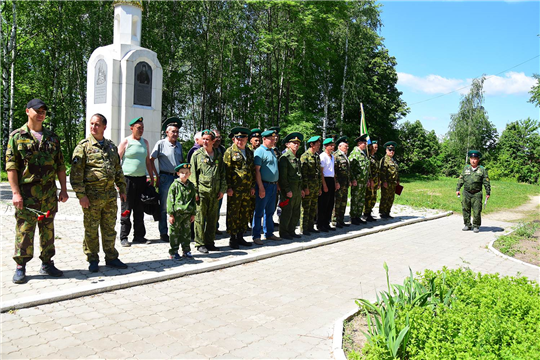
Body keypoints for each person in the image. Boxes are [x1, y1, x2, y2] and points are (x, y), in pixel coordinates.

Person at [6, 98, 69, 284]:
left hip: (49, 195)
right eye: (37, 110)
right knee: (25, 231)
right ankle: (21, 266)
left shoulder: (52, 138)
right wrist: (16, 193)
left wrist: (64, 190)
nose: (41, 114)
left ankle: (47, 263)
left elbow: (60, 166)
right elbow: (11, 167)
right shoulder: (17, 136)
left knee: (48, 231)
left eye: (43, 111)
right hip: (27, 197)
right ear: (28, 111)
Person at [70, 114, 128, 272]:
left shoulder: (110, 146)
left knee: (109, 228)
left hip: (109, 197)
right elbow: (76, 175)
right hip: (91, 198)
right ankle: (92, 258)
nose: (93, 127)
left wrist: (122, 189)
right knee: (91, 229)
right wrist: (81, 195)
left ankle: (111, 257)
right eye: (91, 124)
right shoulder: (83, 147)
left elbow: (117, 169)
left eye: (97, 124)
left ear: (104, 127)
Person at [118, 117, 156, 246]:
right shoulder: (126, 142)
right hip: (127, 180)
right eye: (138, 128)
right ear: (132, 128)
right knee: (126, 208)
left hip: (141, 180)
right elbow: (116, 162)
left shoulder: (145, 142)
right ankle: (124, 237)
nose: (141, 130)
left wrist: (150, 177)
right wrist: (118, 181)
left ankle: (139, 236)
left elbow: (147, 162)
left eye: (142, 128)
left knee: (140, 209)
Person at [190, 130, 226, 253]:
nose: (205, 141)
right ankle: (200, 243)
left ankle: (210, 242)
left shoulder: (218, 155)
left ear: (213, 141)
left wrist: (222, 190)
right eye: (203, 139)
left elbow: (222, 174)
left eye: (207, 139)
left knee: (212, 218)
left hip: (215, 193)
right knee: (200, 218)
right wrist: (194, 192)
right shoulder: (197, 155)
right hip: (202, 192)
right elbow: (192, 175)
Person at [150, 117, 184, 243]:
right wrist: (155, 175)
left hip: (177, 178)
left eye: (177, 132)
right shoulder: (161, 144)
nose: (175, 134)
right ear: (167, 132)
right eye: (173, 131)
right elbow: (151, 159)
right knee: (164, 206)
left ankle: (176, 230)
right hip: (165, 178)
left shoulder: (179, 145)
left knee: (178, 205)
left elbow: (181, 162)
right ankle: (163, 232)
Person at [223, 127, 255, 249]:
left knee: (244, 213)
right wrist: (229, 187)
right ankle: (233, 238)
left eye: (243, 138)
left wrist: (252, 186)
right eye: (238, 138)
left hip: (247, 189)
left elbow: (252, 170)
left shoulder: (249, 152)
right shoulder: (229, 152)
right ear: (234, 139)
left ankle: (241, 236)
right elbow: (227, 171)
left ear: (247, 139)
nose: (240, 141)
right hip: (235, 189)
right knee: (233, 213)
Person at [252, 130, 281, 244]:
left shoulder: (272, 151)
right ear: (264, 139)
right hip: (264, 184)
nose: (273, 141)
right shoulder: (259, 152)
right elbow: (257, 171)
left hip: (273, 185)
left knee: (270, 211)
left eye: (274, 139)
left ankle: (269, 233)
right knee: (259, 212)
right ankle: (256, 236)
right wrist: (260, 187)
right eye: (271, 139)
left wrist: (277, 183)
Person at [456, 150, 491, 233]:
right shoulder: (466, 168)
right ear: (470, 159)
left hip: (477, 193)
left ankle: (476, 226)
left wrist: (488, 192)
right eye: (472, 158)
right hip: (466, 192)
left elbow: (486, 182)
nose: (473, 160)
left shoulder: (482, 169)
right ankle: (467, 224)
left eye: (475, 159)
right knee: (465, 209)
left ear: (478, 160)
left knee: (477, 210)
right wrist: (458, 189)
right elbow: (461, 179)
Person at [167, 163, 196, 260]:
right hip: (177, 214)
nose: (184, 174)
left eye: (186, 173)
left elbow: (193, 201)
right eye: (182, 173)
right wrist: (171, 214)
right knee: (174, 233)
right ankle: (174, 251)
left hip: (187, 214)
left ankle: (186, 251)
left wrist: (193, 213)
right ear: (178, 173)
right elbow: (170, 200)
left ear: (190, 174)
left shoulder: (191, 186)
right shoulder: (175, 185)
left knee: (186, 233)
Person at [278, 132, 304, 240]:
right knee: (287, 211)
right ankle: (284, 232)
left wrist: (301, 189)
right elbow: (283, 177)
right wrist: (287, 190)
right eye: (293, 143)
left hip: (297, 189)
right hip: (289, 189)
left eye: (298, 143)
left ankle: (291, 230)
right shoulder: (285, 158)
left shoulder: (296, 157)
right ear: (288, 145)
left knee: (296, 211)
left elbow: (299, 175)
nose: (296, 145)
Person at [300, 136, 322, 235]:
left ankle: (310, 226)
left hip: (315, 186)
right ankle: (304, 228)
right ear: (311, 145)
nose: (319, 146)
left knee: (313, 207)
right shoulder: (304, 156)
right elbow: (303, 174)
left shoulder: (317, 156)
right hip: (308, 186)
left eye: (319, 144)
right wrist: (305, 187)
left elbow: (319, 174)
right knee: (306, 208)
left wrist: (319, 187)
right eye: (317, 144)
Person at [318, 138, 339, 232]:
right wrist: (324, 185)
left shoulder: (332, 156)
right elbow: (321, 172)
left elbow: (333, 172)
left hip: (331, 179)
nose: (332, 147)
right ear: (326, 146)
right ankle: (320, 224)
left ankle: (327, 223)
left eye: (333, 145)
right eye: (331, 145)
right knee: (323, 204)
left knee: (330, 203)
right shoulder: (322, 156)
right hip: (325, 180)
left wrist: (335, 182)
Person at [349, 135, 370, 225]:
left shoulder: (363, 153)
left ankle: (358, 216)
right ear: (359, 143)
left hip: (363, 181)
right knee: (355, 199)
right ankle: (353, 217)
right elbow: (350, 168)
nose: (366, 145)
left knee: (361, 199)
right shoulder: (354, 153)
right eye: (364, 143)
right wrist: (353, 179)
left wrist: (368, 179)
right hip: (357, 181)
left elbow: (366, 168)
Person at [333, 136, 351, 228]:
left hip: (345, 183)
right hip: (339, 183)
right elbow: (334, 171)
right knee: (337, 202)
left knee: (343, 202)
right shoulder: (336, 156)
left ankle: (341, 219)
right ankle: (335, 220)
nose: (347, 148)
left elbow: (347, 170)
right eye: (345, 146)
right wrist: (336, 182)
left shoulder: (345, 156)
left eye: (347, 147)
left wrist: (349, 180)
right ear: (339, 147)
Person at [379, 141, 400, 219]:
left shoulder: (393, 160)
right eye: (390, 150)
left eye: (393, 150)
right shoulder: (384, 160)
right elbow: (382, 172)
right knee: (385, 197)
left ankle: (387, 212)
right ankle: (382, 212)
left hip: (393, 183)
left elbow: (396, 171)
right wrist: (384, 181)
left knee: (391, 198)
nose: (392, 152)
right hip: (387, 182)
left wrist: (398, 180)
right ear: (386, 150)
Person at [213, 129, 226, 235]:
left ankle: (215, 227)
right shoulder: (208, 150)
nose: (218, 139)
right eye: (216, 137)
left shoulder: (223, 150)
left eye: (219, 137)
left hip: (220, 183)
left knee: (218, 207)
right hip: (209, 184)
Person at [364, 140, 380, 221]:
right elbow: (368, 170)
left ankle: (370, 212)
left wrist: (379, 181)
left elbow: (378, 170)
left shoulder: (375, 157)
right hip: (371, 181)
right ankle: (366, 213)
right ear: (370, 147)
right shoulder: (368, 157)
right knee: (369, 197)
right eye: (375, 147)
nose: (376, 149)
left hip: (376, 180)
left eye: (377, 147)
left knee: (373, 197)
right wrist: (370, 180)